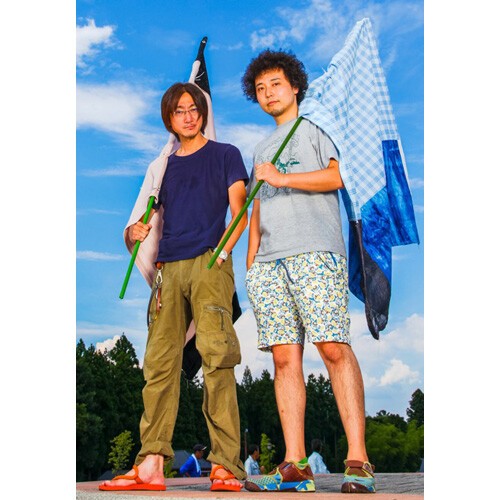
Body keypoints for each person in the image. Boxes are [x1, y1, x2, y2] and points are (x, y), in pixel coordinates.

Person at [99, 82, 248, 492]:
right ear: (169, 119)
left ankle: (225, 465)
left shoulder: (226, 154)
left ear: (203, 113)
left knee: (217, 358)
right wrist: (134, 230)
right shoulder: (163, 168)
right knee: (159, 364)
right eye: (179, 110)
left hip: (209, 263)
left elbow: (239, 210)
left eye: (194, 108)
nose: (188, 116)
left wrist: (222, 254)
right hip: (168, 269)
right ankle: (151, 464)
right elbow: (144, 220)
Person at [241, 50, 376, 494]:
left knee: (333, 347)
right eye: (260, 89)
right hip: (269, 264)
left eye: (275, 84)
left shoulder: (317, 128)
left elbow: (339, 177)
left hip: (316, 251)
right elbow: (256, 209)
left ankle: (358, 459)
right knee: (284, 359)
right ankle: (295, 464)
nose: (268, 94)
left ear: (295, 86)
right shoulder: (261, 148)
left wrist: (282, 178)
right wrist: (251, 265)